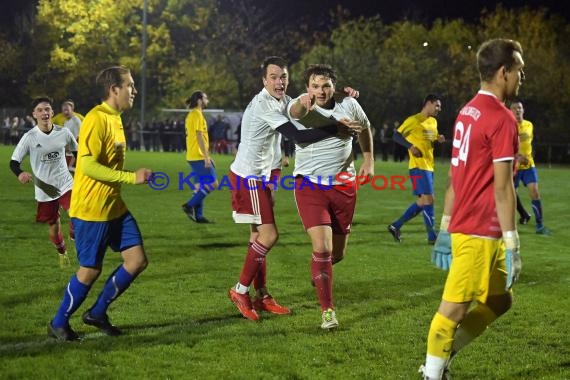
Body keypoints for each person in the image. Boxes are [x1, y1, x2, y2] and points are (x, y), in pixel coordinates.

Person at [421, 38, 524, 380]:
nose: (521, 78)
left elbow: (456, 176)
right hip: (480, 228)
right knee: (451, 310)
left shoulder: (467, 111)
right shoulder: (502, 118)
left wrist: (445, 228)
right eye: (518, 71)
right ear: (503, 72)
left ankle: (443, 360)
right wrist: (514, 244)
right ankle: (432, 374)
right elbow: (503, 186)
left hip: (471, 226)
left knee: (500, 302)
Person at [227, 56, 357, 322]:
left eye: (283, 76)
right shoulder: (264, 104)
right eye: (273, 77)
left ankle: (261, 295)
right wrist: (336, 129)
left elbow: (307, 100)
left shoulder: (284, 100)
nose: (279, 81)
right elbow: (299, 136)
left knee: (257, 237)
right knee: (269, 235)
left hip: (265, 175)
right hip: (249, 177)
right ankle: (240, 291)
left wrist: (343, 96)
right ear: (264, 81)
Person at [48, 66, 153, 341]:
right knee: (90, 269)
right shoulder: (97, 118)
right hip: (93, 209)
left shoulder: (115, 118)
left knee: (136, 259)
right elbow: (87, 165)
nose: (134, 90)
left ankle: (97, 313)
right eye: (130, 85)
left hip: (114, 206)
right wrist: (130, 177)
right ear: (114, 89)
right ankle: (58, 322)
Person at [287, 63, 374, 329]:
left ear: (334, 86)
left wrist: (369, 159)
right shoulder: (300, 107)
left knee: (337, 254)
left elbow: (366, 127)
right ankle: (328, 312)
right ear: (307, 88)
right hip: (310, 186)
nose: (321, 91)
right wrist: (304, 102)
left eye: (325, 85)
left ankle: (320, 270)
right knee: (322, 248)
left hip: (344, 187)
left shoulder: (349, 104)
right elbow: (297, 111)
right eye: (315, 86)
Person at [9, 97, 77, 268]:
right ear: (34, 114)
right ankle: (62, 252)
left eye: (47, 109)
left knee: (78, 212)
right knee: (54, 225)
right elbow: (14, 162)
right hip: (45, 189)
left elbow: (78, 154)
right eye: (40, 110)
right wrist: (20, 174)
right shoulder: (29, 137)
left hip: (66, 183)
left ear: (52, 112)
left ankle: (76, 238)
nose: (44, 113)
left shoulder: (64, 132)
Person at [387, 94, 445, 244]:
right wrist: (410, 146)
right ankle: (432, 237)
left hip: (429, 166)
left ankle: (395, 226)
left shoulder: (433, 122)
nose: (439, 108)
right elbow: (396, 136)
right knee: (429, 200)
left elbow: (431, 138)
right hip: (418, 166)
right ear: (428, 104)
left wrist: (438, 139)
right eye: (437, 105)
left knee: (423, 201)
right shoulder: (413, 120)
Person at [510, 100, 551, 235]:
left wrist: (525, 155)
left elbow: (527, 140)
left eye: (520, 108)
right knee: (511, 195)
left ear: (523, 110)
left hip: (528, 165)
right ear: (510, 111)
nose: (517, 110)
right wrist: (516, 156)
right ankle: (512, 225)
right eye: (515, 108)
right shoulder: (508, 126)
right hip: (513, 166)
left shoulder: (529, 125)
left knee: (534, 192)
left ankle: (540, 225)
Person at [181, 91, 217, 223]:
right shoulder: (196, 114)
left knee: (199, 186)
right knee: (213, 183)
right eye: (206, 98)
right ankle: (189, 205)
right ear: (200, 100)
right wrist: (206, 157)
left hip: (193, 155)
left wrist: (207, 156)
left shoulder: (193, 114)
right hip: (198, 156)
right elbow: (199, 136)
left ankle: (199, 216)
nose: (207, 100)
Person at [61, 99, 82, 172]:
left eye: (67, 110)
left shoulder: (76, 120)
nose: (65, 112)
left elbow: (80, 136)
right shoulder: (66, 122)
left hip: (76, 152)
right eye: (64, 110)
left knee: (70, 169)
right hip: (69, 151)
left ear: (72, 109)